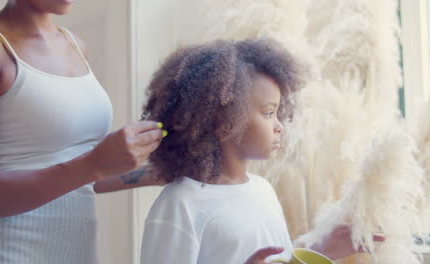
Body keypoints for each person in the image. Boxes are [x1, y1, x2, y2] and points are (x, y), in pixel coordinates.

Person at [127, 39, 384, 264]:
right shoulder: (180, 204)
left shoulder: (262, 190)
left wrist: (321, 248)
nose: (279, 125)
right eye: (269, 113)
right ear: (223, 120)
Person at [0, 0, 166, 263]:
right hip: (8, 253)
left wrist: (158, 172)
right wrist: (93, 164)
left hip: (77, 252)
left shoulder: (75, 45)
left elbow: (75, 178)